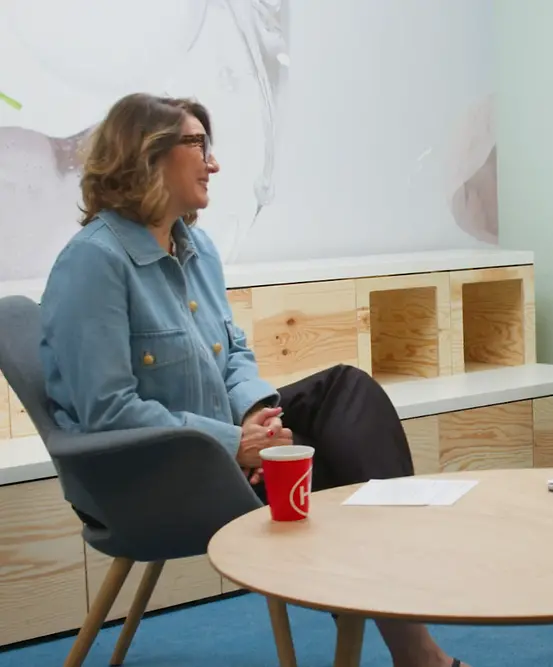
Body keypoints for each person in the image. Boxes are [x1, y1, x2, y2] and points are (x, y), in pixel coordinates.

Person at [38, 92, 468, 667]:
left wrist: (252, 418)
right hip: (150, 476)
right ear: (146, 156)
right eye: (197, 145)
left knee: (346, 391)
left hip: (224, 443)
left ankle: (399, 599)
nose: (212, 164)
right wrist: (231, 445)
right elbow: (108, 411)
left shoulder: (197, 247)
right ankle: (411, 640)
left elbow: (235, 350)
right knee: (343, 477)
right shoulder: (95, 263)